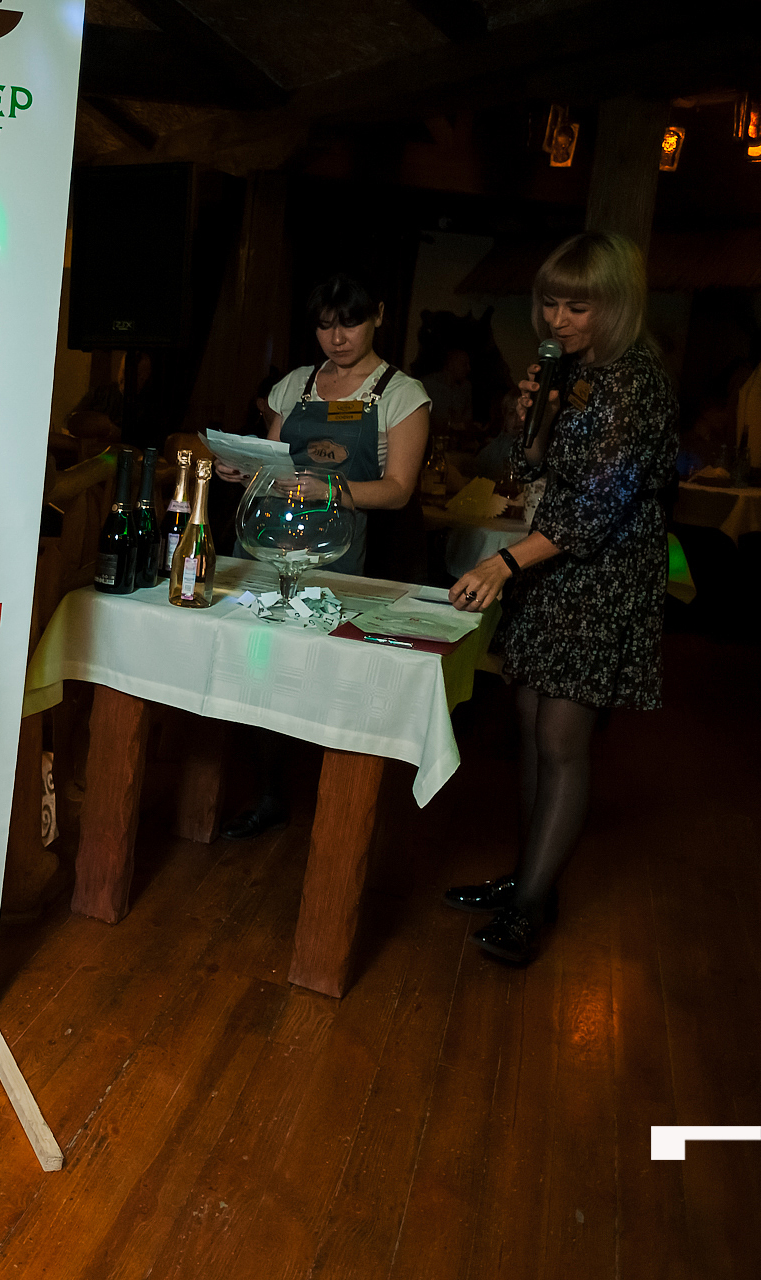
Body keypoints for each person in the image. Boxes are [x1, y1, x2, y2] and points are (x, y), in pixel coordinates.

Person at [443, 231, 678, 965]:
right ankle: (527, 881)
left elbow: (596, 508)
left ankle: (530, 909)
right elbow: (532, 470)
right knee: (528, 723)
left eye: (579, 307)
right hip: (554, 570)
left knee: (561, 742)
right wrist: (533, 421)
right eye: (550, 303)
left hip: (603, 577)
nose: (558, 319)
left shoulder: (635, 382)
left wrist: (503, 564)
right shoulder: (573, 370)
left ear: (617, 305)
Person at [216, 275, 432, 839]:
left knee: (320, 673)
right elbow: (271, 459)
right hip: (268, 541)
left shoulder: (401, 394)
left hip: (340, 550)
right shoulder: (297, 384)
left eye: (350, 323)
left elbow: (399, 489)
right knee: (257, 666)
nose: (337, 338)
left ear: (378, 315)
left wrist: (331, 489)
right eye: (325, 326)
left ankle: (336, 808)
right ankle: (268, 792)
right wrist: (242, 469)